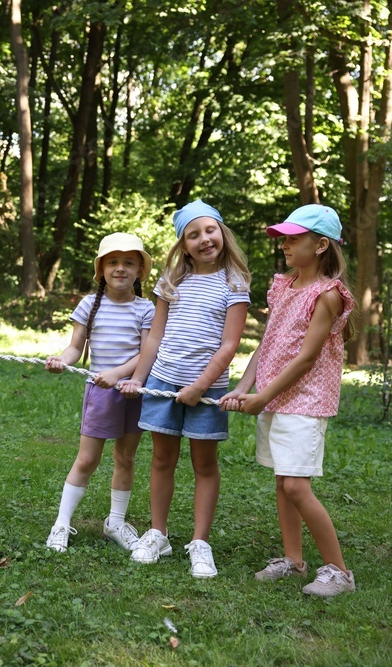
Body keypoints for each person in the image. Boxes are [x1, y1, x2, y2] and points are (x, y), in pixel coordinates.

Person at [220, 204, 358, 597]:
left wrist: (262, 395)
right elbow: (268, 344)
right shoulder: (284, 285)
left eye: (293, 238)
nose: (284, 244)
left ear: (321, 245)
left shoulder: (328, 295)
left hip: (306, 401)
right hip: (276, 399)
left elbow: (306, 358)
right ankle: (294, 561)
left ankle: (339, 572)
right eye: (283, 237)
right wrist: (245, 387)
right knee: (283, 482)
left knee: (297, 486)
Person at [119, 200, 250, 578]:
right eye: (193, 235)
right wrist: (139, 379)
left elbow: (229, 345)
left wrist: (199, 387)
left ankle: (200, 542)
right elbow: (154, 338)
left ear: (222, 232)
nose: (204, 239)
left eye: (210, 230)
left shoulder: (235, 284)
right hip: (163, 380)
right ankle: (158, 532)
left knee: (204, 465)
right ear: (183, 244)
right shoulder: (171, 282)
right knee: (162, 459)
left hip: (206, 390)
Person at [44, 233, 155, 553]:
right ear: (101, 270)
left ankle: (116, 522)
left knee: (126, 457)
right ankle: (62, 523)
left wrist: (123, 375)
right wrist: (61, 361)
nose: (120, 268)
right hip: (100, 391)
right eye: (113, 262)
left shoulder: (146, 308)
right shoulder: (89, 305)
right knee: (88, 458)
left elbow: (147, 351)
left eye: (129, 263)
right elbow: (75, 348)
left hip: (133, 389)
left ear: (139, 273)